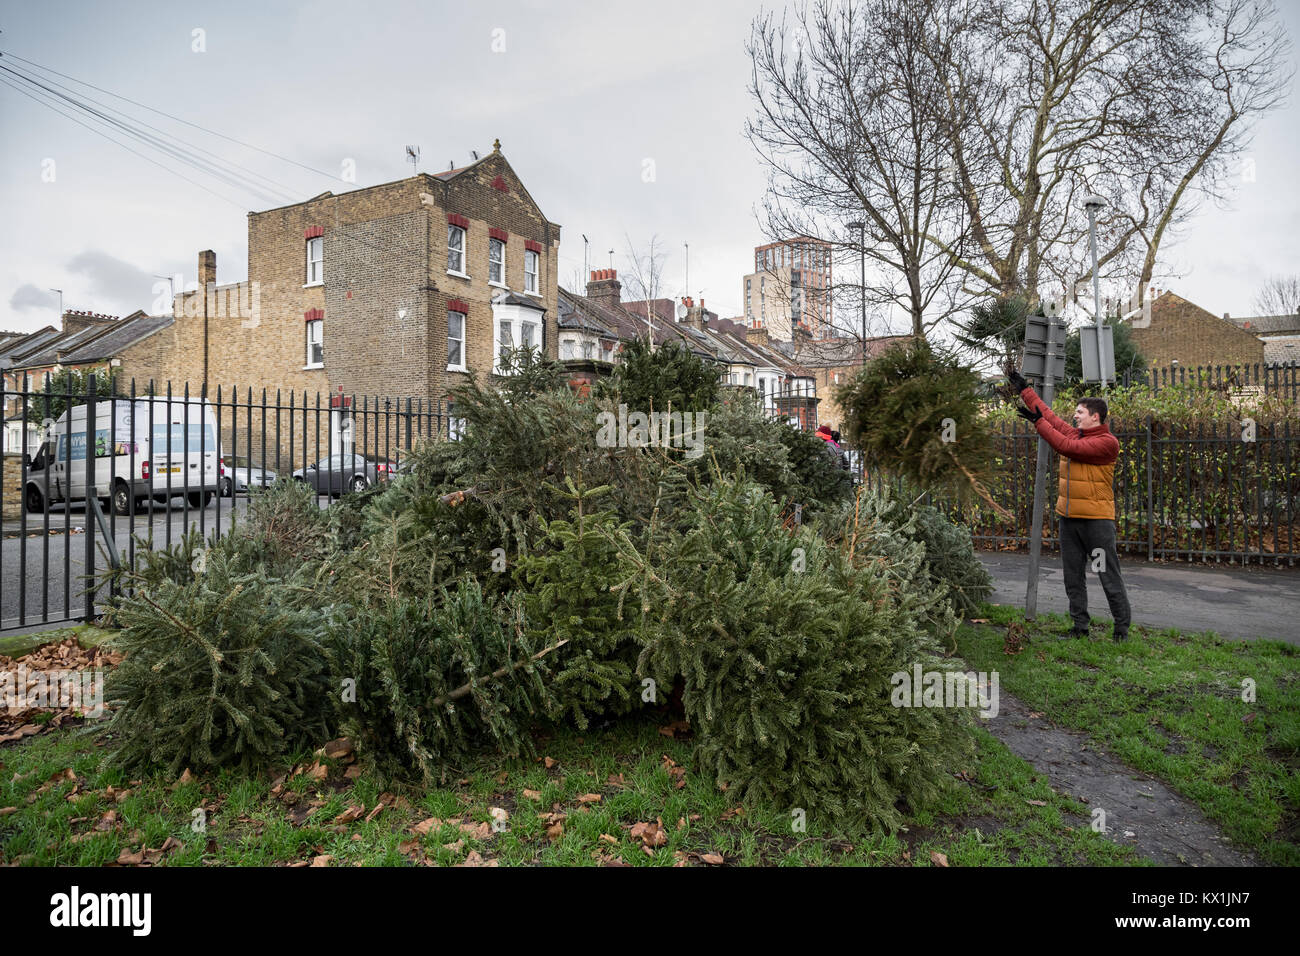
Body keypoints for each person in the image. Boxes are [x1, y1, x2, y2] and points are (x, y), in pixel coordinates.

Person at [1009, 369, 1132, 641]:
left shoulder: (1106, 443)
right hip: (1069, 519)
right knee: (1072, 577)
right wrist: (1025, 391)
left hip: (1097, 523)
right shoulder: (1079, 434)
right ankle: (1080, 628)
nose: (1074, 416)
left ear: (1095, 417)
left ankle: (1121, 630)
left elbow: (1065, 446)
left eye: (1079, 412)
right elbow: (1051, 418)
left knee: (1107, 576)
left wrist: (1038, 424)